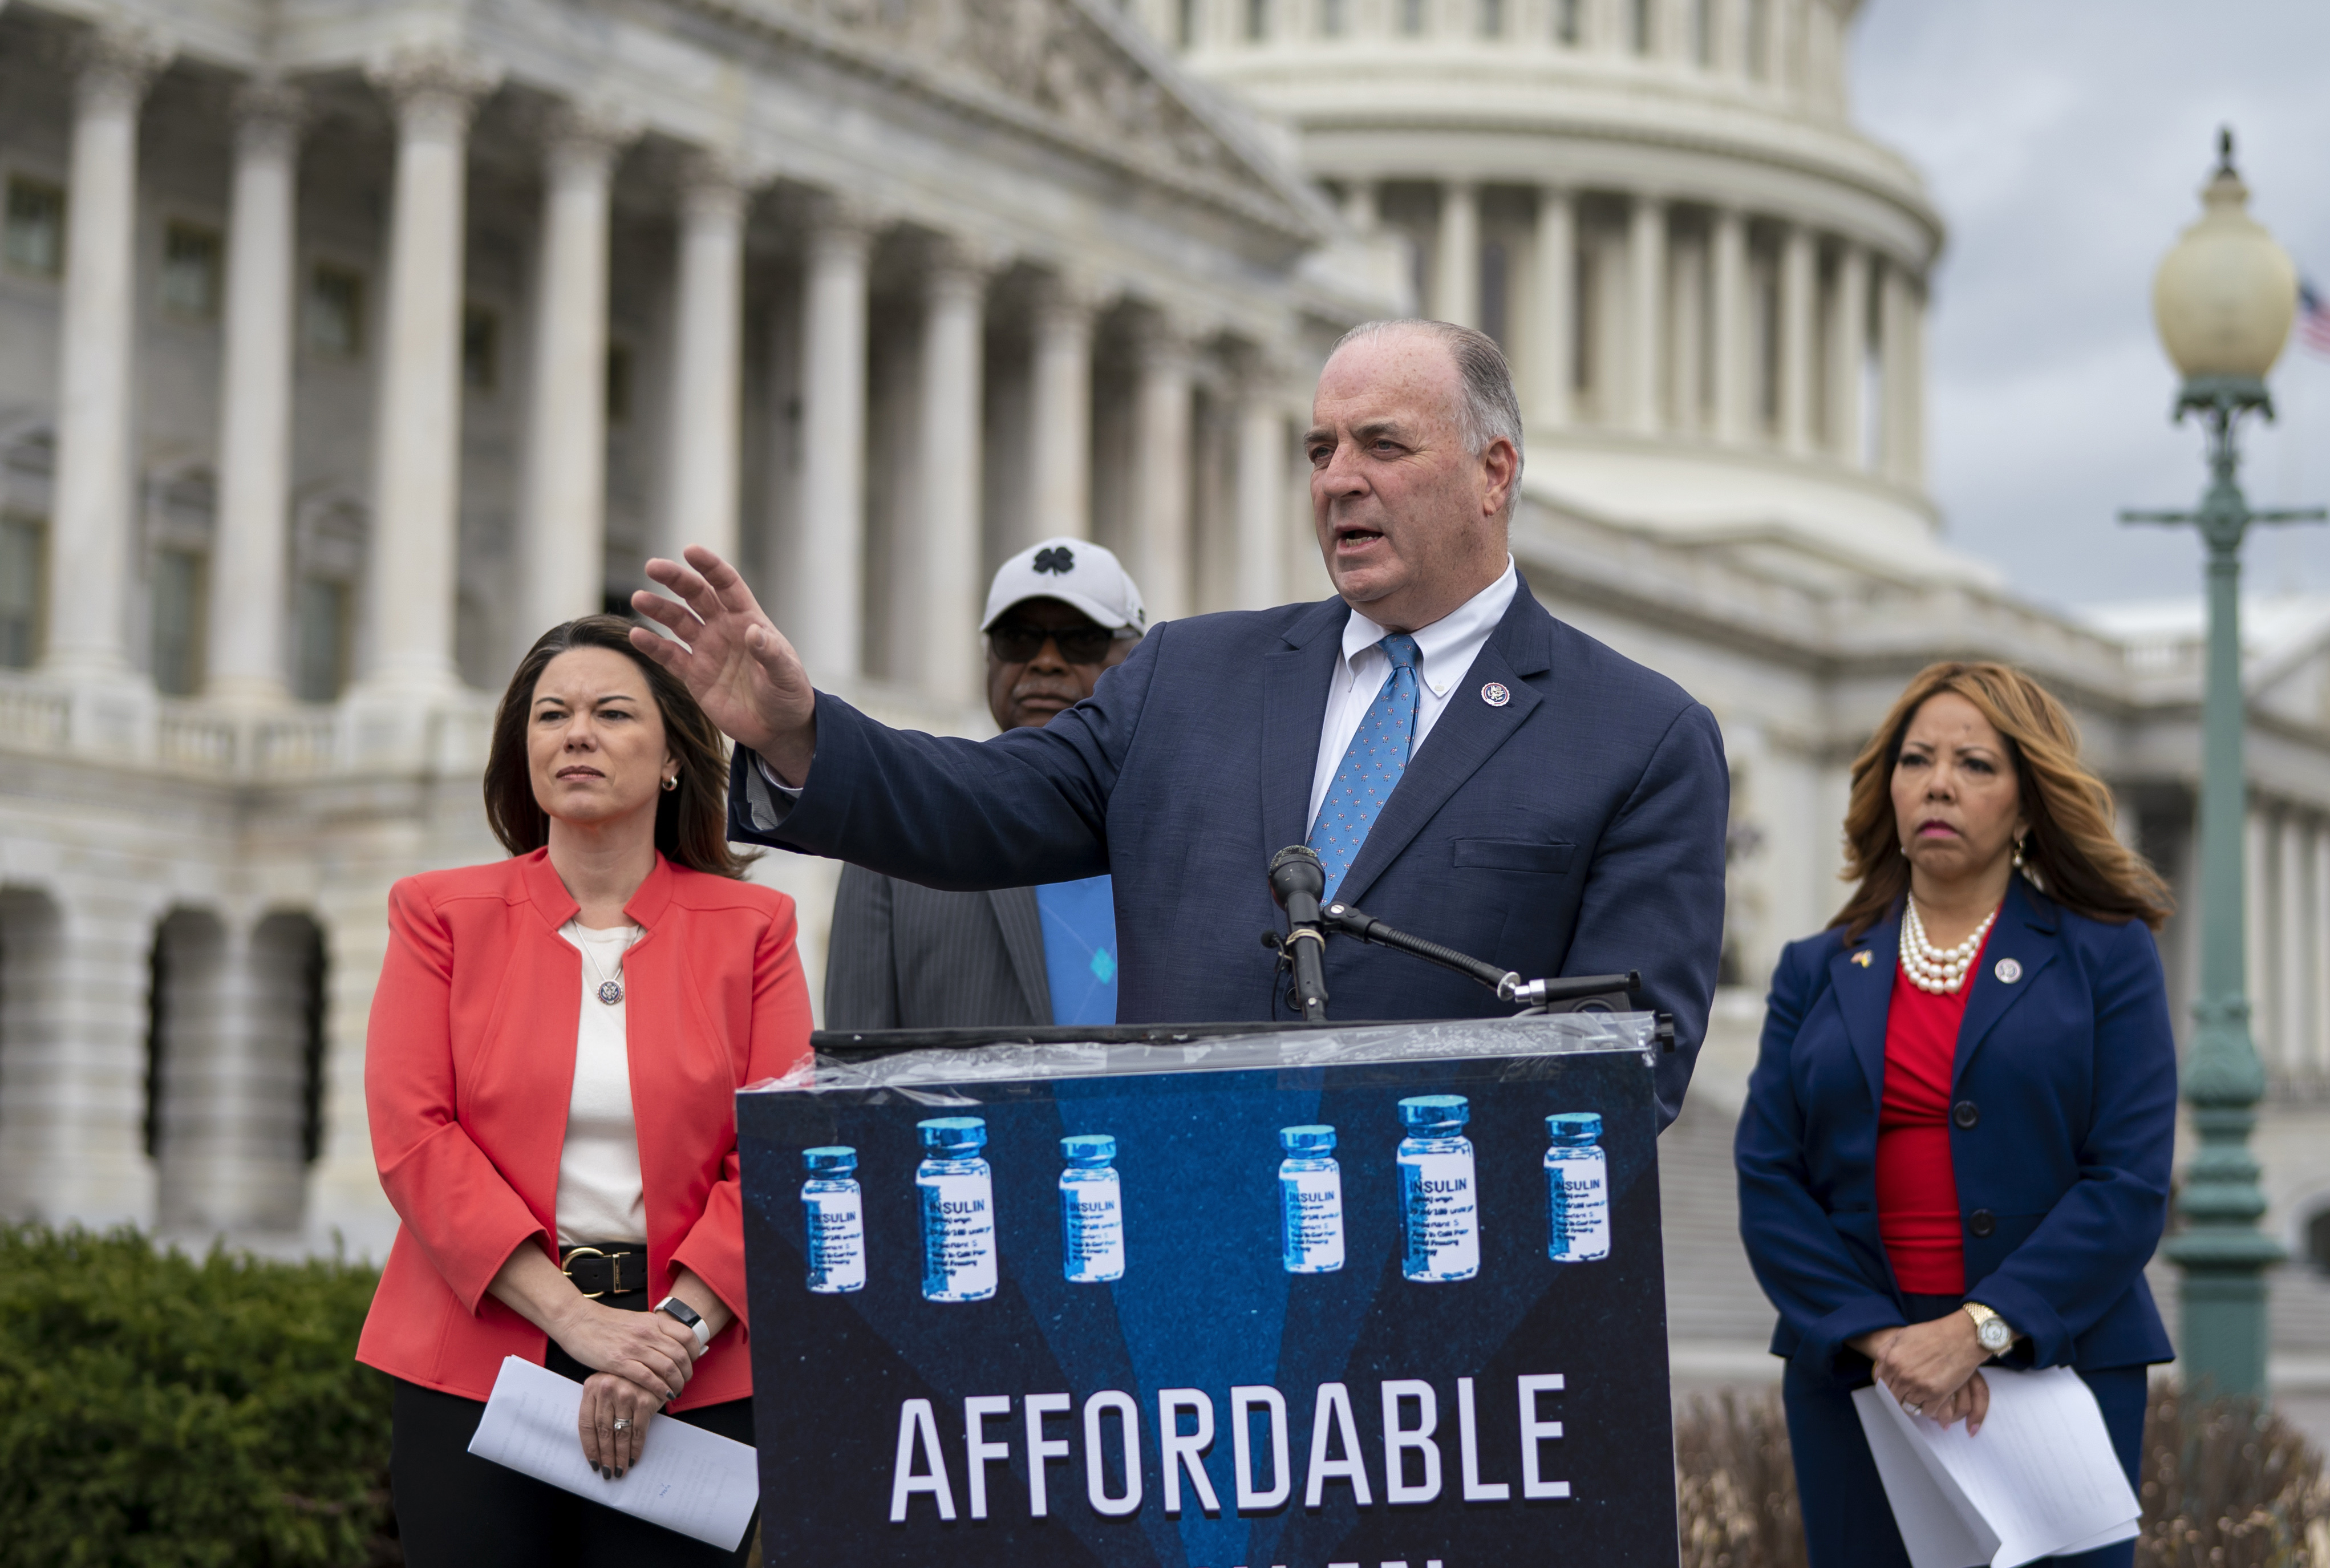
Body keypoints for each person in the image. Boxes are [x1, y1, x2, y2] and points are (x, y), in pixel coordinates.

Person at [631, 318, 1729, 1121]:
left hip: (1446, 1299)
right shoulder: (1188, 676)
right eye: (1319, 451)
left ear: (1495, 474)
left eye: (1382, 446)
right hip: (1176, 1257)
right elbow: (983, 806)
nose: (1339, 480)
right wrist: (797, 730)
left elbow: (1631, 1062)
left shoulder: (1634, 736)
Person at [358, 613, 811, 1568]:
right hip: (480, 1356)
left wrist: (664, 1335)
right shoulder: (440, 912)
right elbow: (412, 1134)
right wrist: (571, 1322)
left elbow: (777, 1141)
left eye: (612, 713)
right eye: (550, 713)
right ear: (520, 750)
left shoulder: (753, 928)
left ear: (675, 754)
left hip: (696, 1367)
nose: (575, 736)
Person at [1734, 659, 2179, 1568]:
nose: (1940, 784)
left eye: (1974, 764)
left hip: (2047, 1382)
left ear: (2026, 797)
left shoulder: (2101, 956)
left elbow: (2127, 1180)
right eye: (1918, 759)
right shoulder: (1820, 967)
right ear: (1885, 788)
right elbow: (1767, 1180)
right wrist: (1878, 1332)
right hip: (1860, 1395)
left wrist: (1980, 1325)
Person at [824, 538, 1147, 1031]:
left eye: (1083, 639)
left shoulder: (1187, 835)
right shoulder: (896, 846)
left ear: (1139, 663)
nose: (1045, 661)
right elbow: (856, 1070)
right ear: (988, 661)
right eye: (1016, 639)